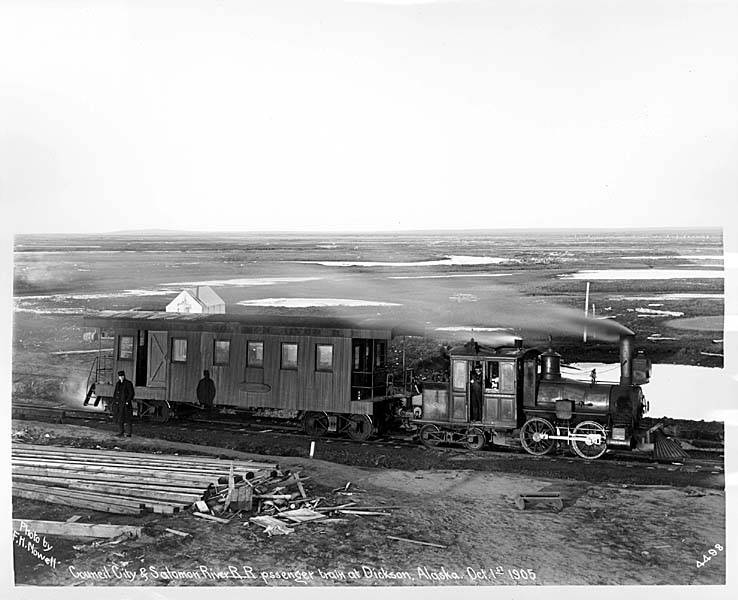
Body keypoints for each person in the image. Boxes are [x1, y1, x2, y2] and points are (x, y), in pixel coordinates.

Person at [112, 370, 134, 437]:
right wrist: (115, 401)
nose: (121, 377)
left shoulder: (128, 383)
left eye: (122, 376)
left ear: (124, 376)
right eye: (120, 376)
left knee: (128, 419)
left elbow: (131, 393)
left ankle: (129, 433)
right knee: (120, 419)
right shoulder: (118, 384)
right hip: (119, 404)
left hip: (126, 405)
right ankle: (121, 432)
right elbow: (115, 393)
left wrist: (127, 401)